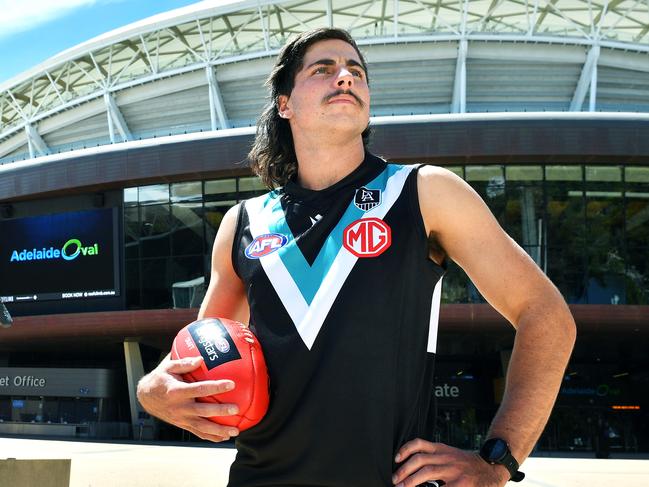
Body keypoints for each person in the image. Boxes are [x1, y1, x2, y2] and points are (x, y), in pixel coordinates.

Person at [137, 28, 576, 487]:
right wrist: (151, 391)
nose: (345, 76)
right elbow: (197, 360)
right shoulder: (244, 222)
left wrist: (497, 460)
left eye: (356, 71)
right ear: (284, 104)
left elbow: (546, 315)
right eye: (323, 69)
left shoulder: (423, 191)